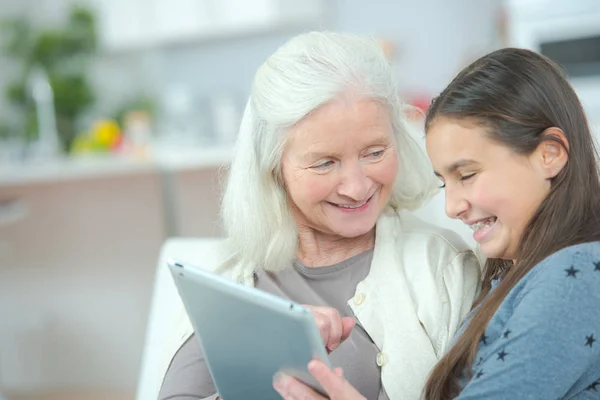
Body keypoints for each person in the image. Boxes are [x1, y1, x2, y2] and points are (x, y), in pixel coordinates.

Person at [156, 31, 481, 400]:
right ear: (273, 168)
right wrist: (263, 367)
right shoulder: (230, 278)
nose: (357, 188)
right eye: (325, 163)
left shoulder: (443, 267)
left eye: (374, 152)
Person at [273, 47, 600, 400]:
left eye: (468, 174)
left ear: (549, 155)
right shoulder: (515, 274)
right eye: (446, 182)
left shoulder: (573, 275)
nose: (452, 206)